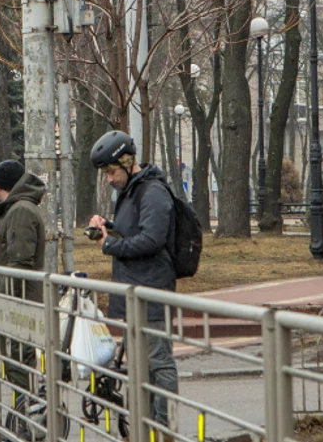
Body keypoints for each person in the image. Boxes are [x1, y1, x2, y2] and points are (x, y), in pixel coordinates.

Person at [88, 130, 179, 437]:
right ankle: (146, 427)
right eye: (105, 173)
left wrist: (110, 246)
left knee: (158, 363)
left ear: (128, 163)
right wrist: (107, 228)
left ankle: (162, 428)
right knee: (142, 366)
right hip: (135, 290)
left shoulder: (152, 192)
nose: (109, 179)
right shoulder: (130, 192)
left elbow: (152, 239)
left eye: (111, 171)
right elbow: (132, 232)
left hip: (151, 292)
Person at [0, 160, 47, 436]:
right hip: (13, 304)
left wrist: (7, 302)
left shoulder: (20, 212)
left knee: (20, 365)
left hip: (17, 306)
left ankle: (29, 425)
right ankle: (24, 422)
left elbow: (20, 263)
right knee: (16, 365)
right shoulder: (16, 210)